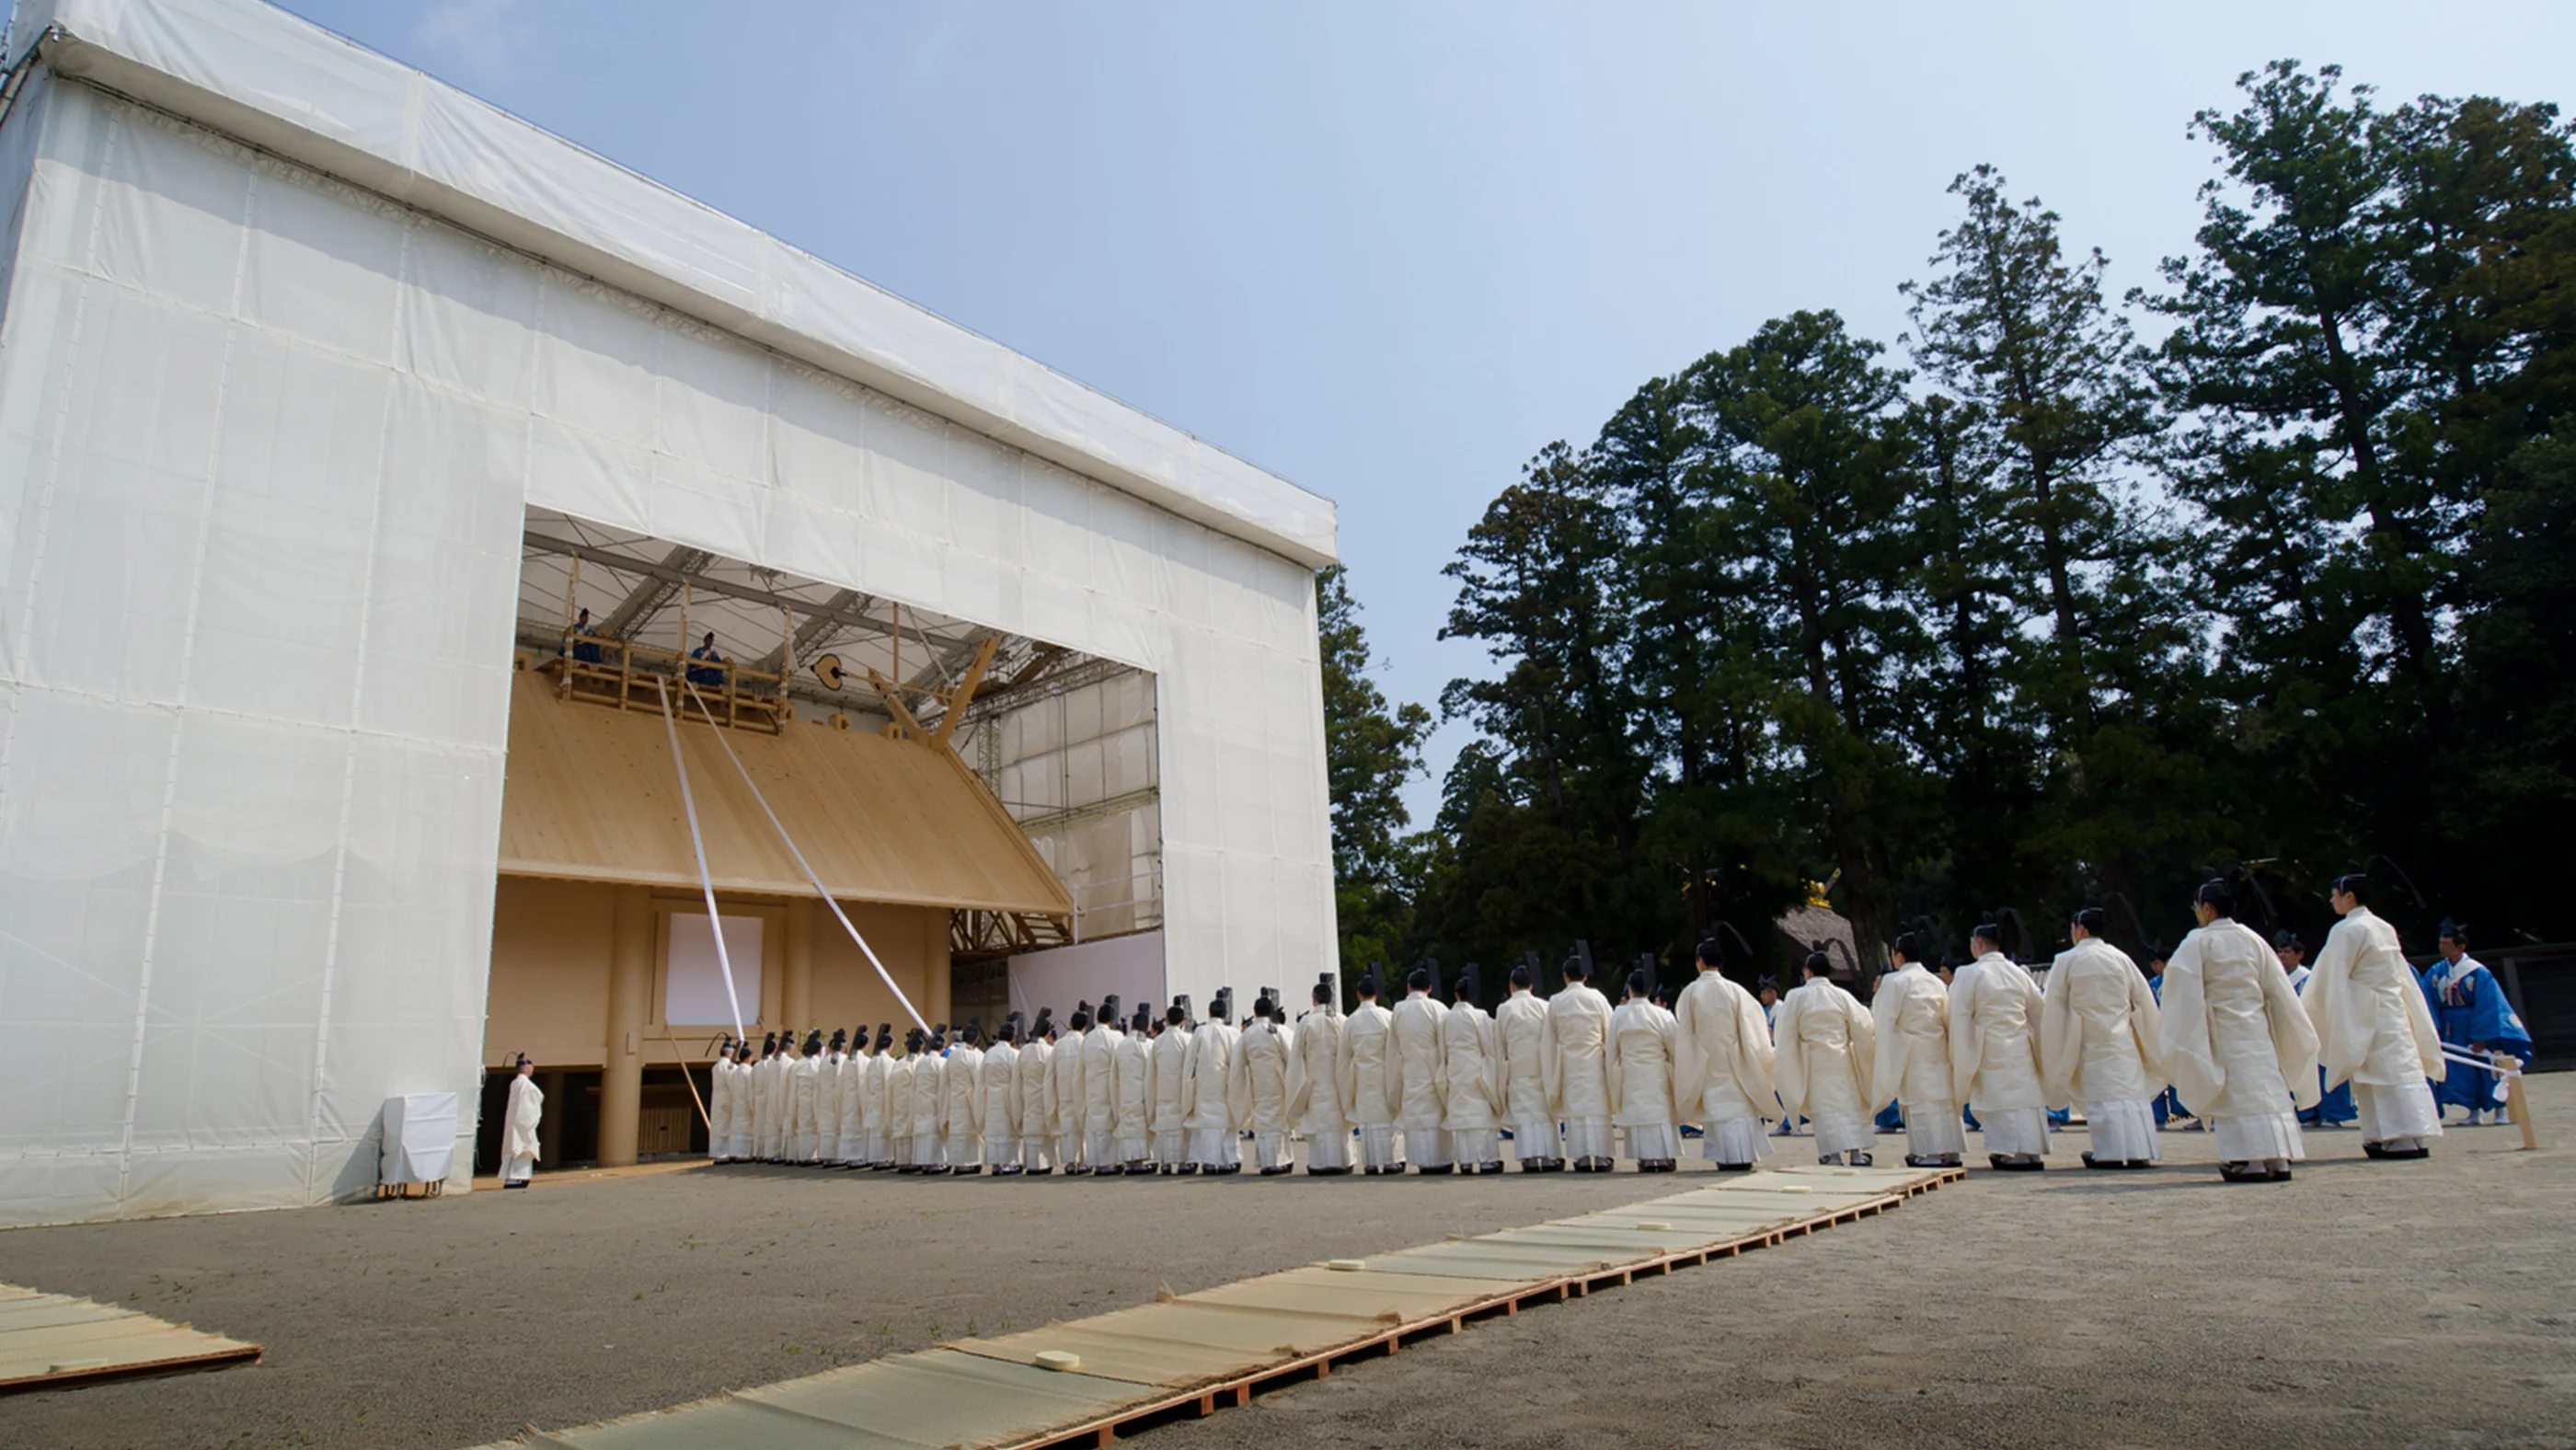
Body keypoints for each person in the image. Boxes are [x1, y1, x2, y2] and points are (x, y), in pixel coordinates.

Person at [2160, 880, 2321, 1182]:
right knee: (2268, 1090)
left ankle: (2248, 1160)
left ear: (2207, 908)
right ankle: (2278, 1157)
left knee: (2236, 1094)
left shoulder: (2197, 942)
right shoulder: (2253, 939)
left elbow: (2181, 993)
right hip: (2258, 1028)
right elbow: (2278, 989)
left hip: (2223, 1029)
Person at [2305, 875, 2445, 1160]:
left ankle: (2394, 1137)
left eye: (2335, 895)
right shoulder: (2384, 927)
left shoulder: (2347, 930)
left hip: (2366, 1011)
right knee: (2400, 1069)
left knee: (2380, 1075)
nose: (2332, 901)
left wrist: (2310, 1008)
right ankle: (2412, 1135)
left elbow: (2330, 975)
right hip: (2393, 1008)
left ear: (2350, 897)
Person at [2039, 908, 2166, 1170]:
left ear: (2080, 929)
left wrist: (2053, 1048)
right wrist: (2149, 1036)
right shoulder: (2120, 958)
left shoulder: (2066, 960)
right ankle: (2139, 1149)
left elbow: (2053, 1009)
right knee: (2130, 1095)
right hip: (2123, 1038)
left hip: (2088, 1040)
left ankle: (2109, 1152)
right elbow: (2144, 1000)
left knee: (2102, 1099)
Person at [1951, 922, 2051, 1171]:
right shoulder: (2018, 972)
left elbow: (1959, 1016)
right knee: (2024, 1098)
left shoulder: (1968, 973)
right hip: (2020, 1042)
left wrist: (1962, 1054)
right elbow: (2038, 1011)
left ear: (1979, 943)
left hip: (1990, 1044)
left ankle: (2014, 1151)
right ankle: (2031, 1152)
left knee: (2002, 1099)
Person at [1673, 938, 1776, 1171]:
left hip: (1706, 1061)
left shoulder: (1691, 993)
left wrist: (1687, 1064)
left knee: (1718, 1109)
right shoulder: (1736, 991)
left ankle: (1724, 1156)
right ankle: (1744, 1154)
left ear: (1700, 962)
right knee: (1738, 1106)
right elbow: (1754, 1028)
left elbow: (1685, 1035)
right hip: (1736, 1059)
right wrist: (1753, 1056)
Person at [2424, 920, 2533, 1126]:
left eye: (2446, 944)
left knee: (2487, 1068)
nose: (2442, 948)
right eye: (2441, 944)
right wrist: (2432, 1028)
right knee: (2463, 1070)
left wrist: (2481, 1035)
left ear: (2460, 947)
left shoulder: (2477, 972)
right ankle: (2472, 1111)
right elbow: (2427, 1000)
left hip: (2474, 1023)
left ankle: (2500, 1110)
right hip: (2450, 1026)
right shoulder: (2436, 972)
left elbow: (2488, 1005)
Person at [1772, 953, 1876, 1166]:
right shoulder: (1842, 995)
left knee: (1824, 1110)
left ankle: (1833, 1155)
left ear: (1807, 972)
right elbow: (1863, 1025)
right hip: (1842, 1057)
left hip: (1814, 1060)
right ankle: (1856, 1154)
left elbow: (1786, 1034)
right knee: (1849, 1105)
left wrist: (1791, 1061)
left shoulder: (1796, 996)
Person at [1873, 932, 1964, 1169]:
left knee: (1920, 1103)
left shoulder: (1894, 982)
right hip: (1938, 1047)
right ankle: (1950, 1150)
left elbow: (1883, 1019)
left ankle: (1930, 1152)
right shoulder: (1935, 982)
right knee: (1943, 1100)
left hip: (1911, 1050)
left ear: (1899, 956)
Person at [1547, 949, 1617, 1172]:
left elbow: (1550, 1038)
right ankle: (1602, 1156)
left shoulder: (1556, 1001)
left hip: (1569, 1061)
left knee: (1576, 1109)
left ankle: (1581, 1156)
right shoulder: (1597, 997)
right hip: (1595, 1059)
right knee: (1596, 1108)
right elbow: (1610, 1030)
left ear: (1565, 977)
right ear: (1585, 976)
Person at [1607, 968, 1682, 1172]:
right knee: (1660, 1115)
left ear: (1629, 989)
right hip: (1657, 1072)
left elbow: (1611, 1050)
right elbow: (1675, 1048)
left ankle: (1644, 1158)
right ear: (1650, 991)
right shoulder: (1662, 1015)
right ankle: (1665, 1156)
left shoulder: (1619, 1015)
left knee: (1639, 1115)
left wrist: (1611, 1077)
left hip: (1631, 1073)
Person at [1493, 963, 1562, 1171]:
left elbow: (1499, 1043)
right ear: (1531, 985)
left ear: (1512, 986)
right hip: (1541, 1065)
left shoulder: (1504, 1009)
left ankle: (1529, 1158)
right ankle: (1550, 1156)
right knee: (1544, 1112)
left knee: (1524, 1113)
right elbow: (1553, 1038)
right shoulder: (1544, 1006)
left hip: (1517, 1066)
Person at [1390, 965, 1455, 1174]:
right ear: (1429, 988)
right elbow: (1445, 1042)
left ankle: (1421, 1160)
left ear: (1409, 987)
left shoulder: (1398, 1009)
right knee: (1435, 1112)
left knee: (1416, 1114)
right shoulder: (1438, 1008)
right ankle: (1441, 1158)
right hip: (1433, 1068)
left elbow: (1393, 1047)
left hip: (1409, 1067)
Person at [1440, 971, 1506, 1174]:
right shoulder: (1480, 1016)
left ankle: (1465, 1161)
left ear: (1456, 995)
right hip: (1476, 1068)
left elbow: (1442, 1048)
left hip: (1455, 1069)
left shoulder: (1445, 1018)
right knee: (1480, 1115)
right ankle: (1487, 1160)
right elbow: (1489, 1045)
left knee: (1460, 1114)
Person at [1287, 975, 1353, 1175]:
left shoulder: (1306, 1022)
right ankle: (1343, 1161)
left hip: (1314, 1080)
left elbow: (1297, 1057)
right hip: (1338, 1080)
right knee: (1337, 1122)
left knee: (1318, 1122)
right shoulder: (1342, 1020)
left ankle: (1319, 1163)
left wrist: (1297, 1084)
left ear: (1313, 999)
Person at [1340, 971, 1403, 1173]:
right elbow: (1397, 1048)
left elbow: (1343, 1058)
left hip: (1362, 1076)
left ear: (1358, 994)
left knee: (1368, 1123)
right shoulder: (1387, 1016)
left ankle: (1371, 1163)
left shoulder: (1351, 1021)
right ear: (1376, 994)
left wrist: (1345, 1085)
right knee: (1387, 1119)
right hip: (1385, 1074)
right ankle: (1391, 1160)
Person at [1184, 989, 1246, 1174]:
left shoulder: (1200, 1032)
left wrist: (1188, 1086)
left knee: (1205, 1125)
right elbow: (1238, 1062)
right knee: (1226, 1124)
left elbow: (1190, 1062)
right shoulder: (1233, 1033)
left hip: (1204, 1085)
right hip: (1226, 1083)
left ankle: (1208, 1161)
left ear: (1209, 1013)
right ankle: (1229, 1160)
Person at [1238, 992, 1298, 1174]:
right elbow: (1291, 1057)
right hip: (1277, 1082)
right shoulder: (1277, 1031)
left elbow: (1238, 1063)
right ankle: (1281, 1160)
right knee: (1279, 1121)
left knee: (1263, 1122)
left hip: (1257, 1083)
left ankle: (1266, 1162)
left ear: (1254, 1013)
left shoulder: (1247, 1034)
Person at [1082, 995, 1126, 1174]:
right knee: (1108, 1124)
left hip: (1091, 1085)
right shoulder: (1116, 1037)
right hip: (1109, 1086)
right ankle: (1108, 1162)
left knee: (1094, 1125)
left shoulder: (1087, 1038)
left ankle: (1097, 1162)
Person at [1150, 1001, 1195, 1173]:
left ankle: (1165, 1162)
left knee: (1164, 1126)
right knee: (1181, 1128)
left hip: (1162, 1089)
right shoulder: (1187, 1039)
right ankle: (1183, 1162)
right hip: (1181, 1089)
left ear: (1167, 1020)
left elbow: (1151, 1071)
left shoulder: (1157, 1041)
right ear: (1183, 1021)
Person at [1113, 1004, 1156, 1174]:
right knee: (1139, 1126)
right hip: (1141, 1092)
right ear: (1147, 1028)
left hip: (1124, 1092)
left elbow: (1113, 1074)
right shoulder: (1147, 1045)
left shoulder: (1121, 1045)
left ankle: (1130, 1161)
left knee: (1128, 1125)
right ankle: (1137, 1163)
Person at [1052, 1003, 1092, 1174]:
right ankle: (1083, 1161)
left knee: (1067, 1128)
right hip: (1081, 1090)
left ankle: (1069, 1162)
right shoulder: (1084, 1043)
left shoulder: (1058, 1045)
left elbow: (1051, 1073)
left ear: (1069, 1022)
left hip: (1063, 1090)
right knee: (1081, 1127)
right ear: (1084, 1027)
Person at [1017, 1009, 1057, 1174]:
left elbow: (1017, 1077)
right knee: (1044, 1132)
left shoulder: (1024, 1051)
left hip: (1027, 1094)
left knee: (1032, 1131)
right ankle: (1044, 1164)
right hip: (1044, 1095)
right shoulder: (1049, 1051)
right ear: (1048, 1034)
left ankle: (1032, 1164)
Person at [982, 1018, 1023, 1174]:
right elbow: (1018, 1078)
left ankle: (996, 1163)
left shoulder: (989, 1054)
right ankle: (1006, 1162)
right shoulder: (1014, 1054)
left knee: (994, 1128)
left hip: (991, 1095)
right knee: (1007, 1129)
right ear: (1012, 1038)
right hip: (1008, 1095)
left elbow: (981, 1079)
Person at [909, 1026, 949, 1174]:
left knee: (923, 1132)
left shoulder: (920, 1062)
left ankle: (924, 1162)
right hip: (934, 1101)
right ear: (942, 1047)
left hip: (920, 1100)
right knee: (933, 1132)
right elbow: (943, 1086)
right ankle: (935, 1162)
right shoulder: (942, 1063)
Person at [500, 1055, 543, 1187]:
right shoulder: (524, 1084)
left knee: (517, 1146)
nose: (532, 1071)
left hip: (516, 1122)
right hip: (521, 1122)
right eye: (530, 1068)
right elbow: (526, 1106)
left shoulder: (516, 1083)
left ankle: (515, 1177)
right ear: (524, 1068)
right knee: (521, 1146)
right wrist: (529, 1122)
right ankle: (517, 1177)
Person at [886, 1029, 921, 1170]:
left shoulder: (898, 1063)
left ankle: (902, 1160)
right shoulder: (919, 1062)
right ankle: (912, 1160)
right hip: (911, 1100)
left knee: (901, 1130)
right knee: (909, 1130)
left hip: (898, 1100)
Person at [865, 1025, 899, 1169]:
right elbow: (889, 1082)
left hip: (873, 1098)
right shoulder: (889, 1062)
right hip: (884, 1098)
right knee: (883, 1128)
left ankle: (876, 1157)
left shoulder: (872, 1061)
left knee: (875, 1129)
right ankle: (884, 1158)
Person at [814, 1030, 846, 1167]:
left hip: (824, 1097)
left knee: (827, 1125)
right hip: (838, 1096)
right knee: (837, 1125)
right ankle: (837, 1155)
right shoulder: (844, 1060)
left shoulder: (823, 1062)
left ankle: (826, 1155)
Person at [707, 1037, 738, 1162]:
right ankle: (725, 1153)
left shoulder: (716, 1066)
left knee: (718, 1125)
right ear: (730, 1053)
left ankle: (718, 1153)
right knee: (726, 1126)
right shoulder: (729, 1067)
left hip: (717, 1098)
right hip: (727, 1099)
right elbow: (733, 1083)